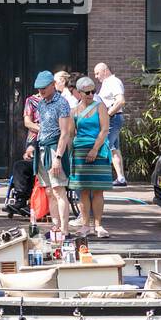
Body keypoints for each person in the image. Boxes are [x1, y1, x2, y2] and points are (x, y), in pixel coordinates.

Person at [32, 70, 75, 236]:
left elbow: (65, 133)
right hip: (42, 148)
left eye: (44, 87)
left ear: (53, 85)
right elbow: (42, 127)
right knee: (49, 191)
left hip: (54, 149)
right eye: (38, 88)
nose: (41, 91)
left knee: (59, 190)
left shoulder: (62, 103)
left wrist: (58, 157)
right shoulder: (41, 103)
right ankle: (55, 227)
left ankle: (64, 230)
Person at [70, 75, 112, 238]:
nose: (90, 94)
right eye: (87, 92)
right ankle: (86, 225)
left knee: (98, 190)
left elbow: (104, 130)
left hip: (98, 149)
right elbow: (72, 134)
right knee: (83, 191)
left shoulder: (100, 107)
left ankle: (99, 225)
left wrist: (95, 149)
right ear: (79, 93)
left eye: (93, 91)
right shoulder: (73, 111)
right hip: (79, 151)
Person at [93, 62, 128, 187]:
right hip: (113, 118)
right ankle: (121, 178)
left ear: (105, 70)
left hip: (112, 118)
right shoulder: (106, 83)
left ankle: (101, 177)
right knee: (114, 148)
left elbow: (121, 101)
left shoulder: (113, 81)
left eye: (97, 73)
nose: (96, 76)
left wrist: (107, 115)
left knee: (103, 145)